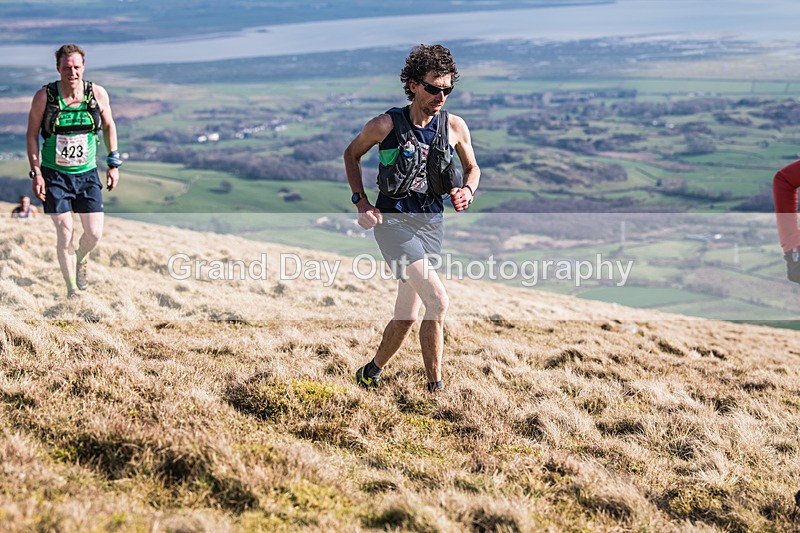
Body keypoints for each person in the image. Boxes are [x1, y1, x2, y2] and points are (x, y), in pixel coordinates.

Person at [343, 44, 480, 392]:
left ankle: (369, 373)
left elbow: (472, 168)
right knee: (438, 300)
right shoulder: (385, 124)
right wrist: (361, 201)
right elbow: (351, 154)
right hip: (394, 224)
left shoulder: (454, 126)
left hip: (432, 225)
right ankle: (436, 389)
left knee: (407, 317)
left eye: (448, 89)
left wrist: (468, 190)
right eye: (434, 88)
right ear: (414, 85)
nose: (441, 96)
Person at [26, 44, 121, 299]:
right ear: (58, 68)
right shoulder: (44, 97)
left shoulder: (97, 94)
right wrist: (36, 173)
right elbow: (32, 134)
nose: (72, 72)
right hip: (54, 174)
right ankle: (72, 290)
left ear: (83, 67)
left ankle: (82, 257)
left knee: (94, 234)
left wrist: (113, 163)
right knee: (65, 231)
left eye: (76, 67)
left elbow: (110, 125)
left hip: (87, 174)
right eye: (67, 67)